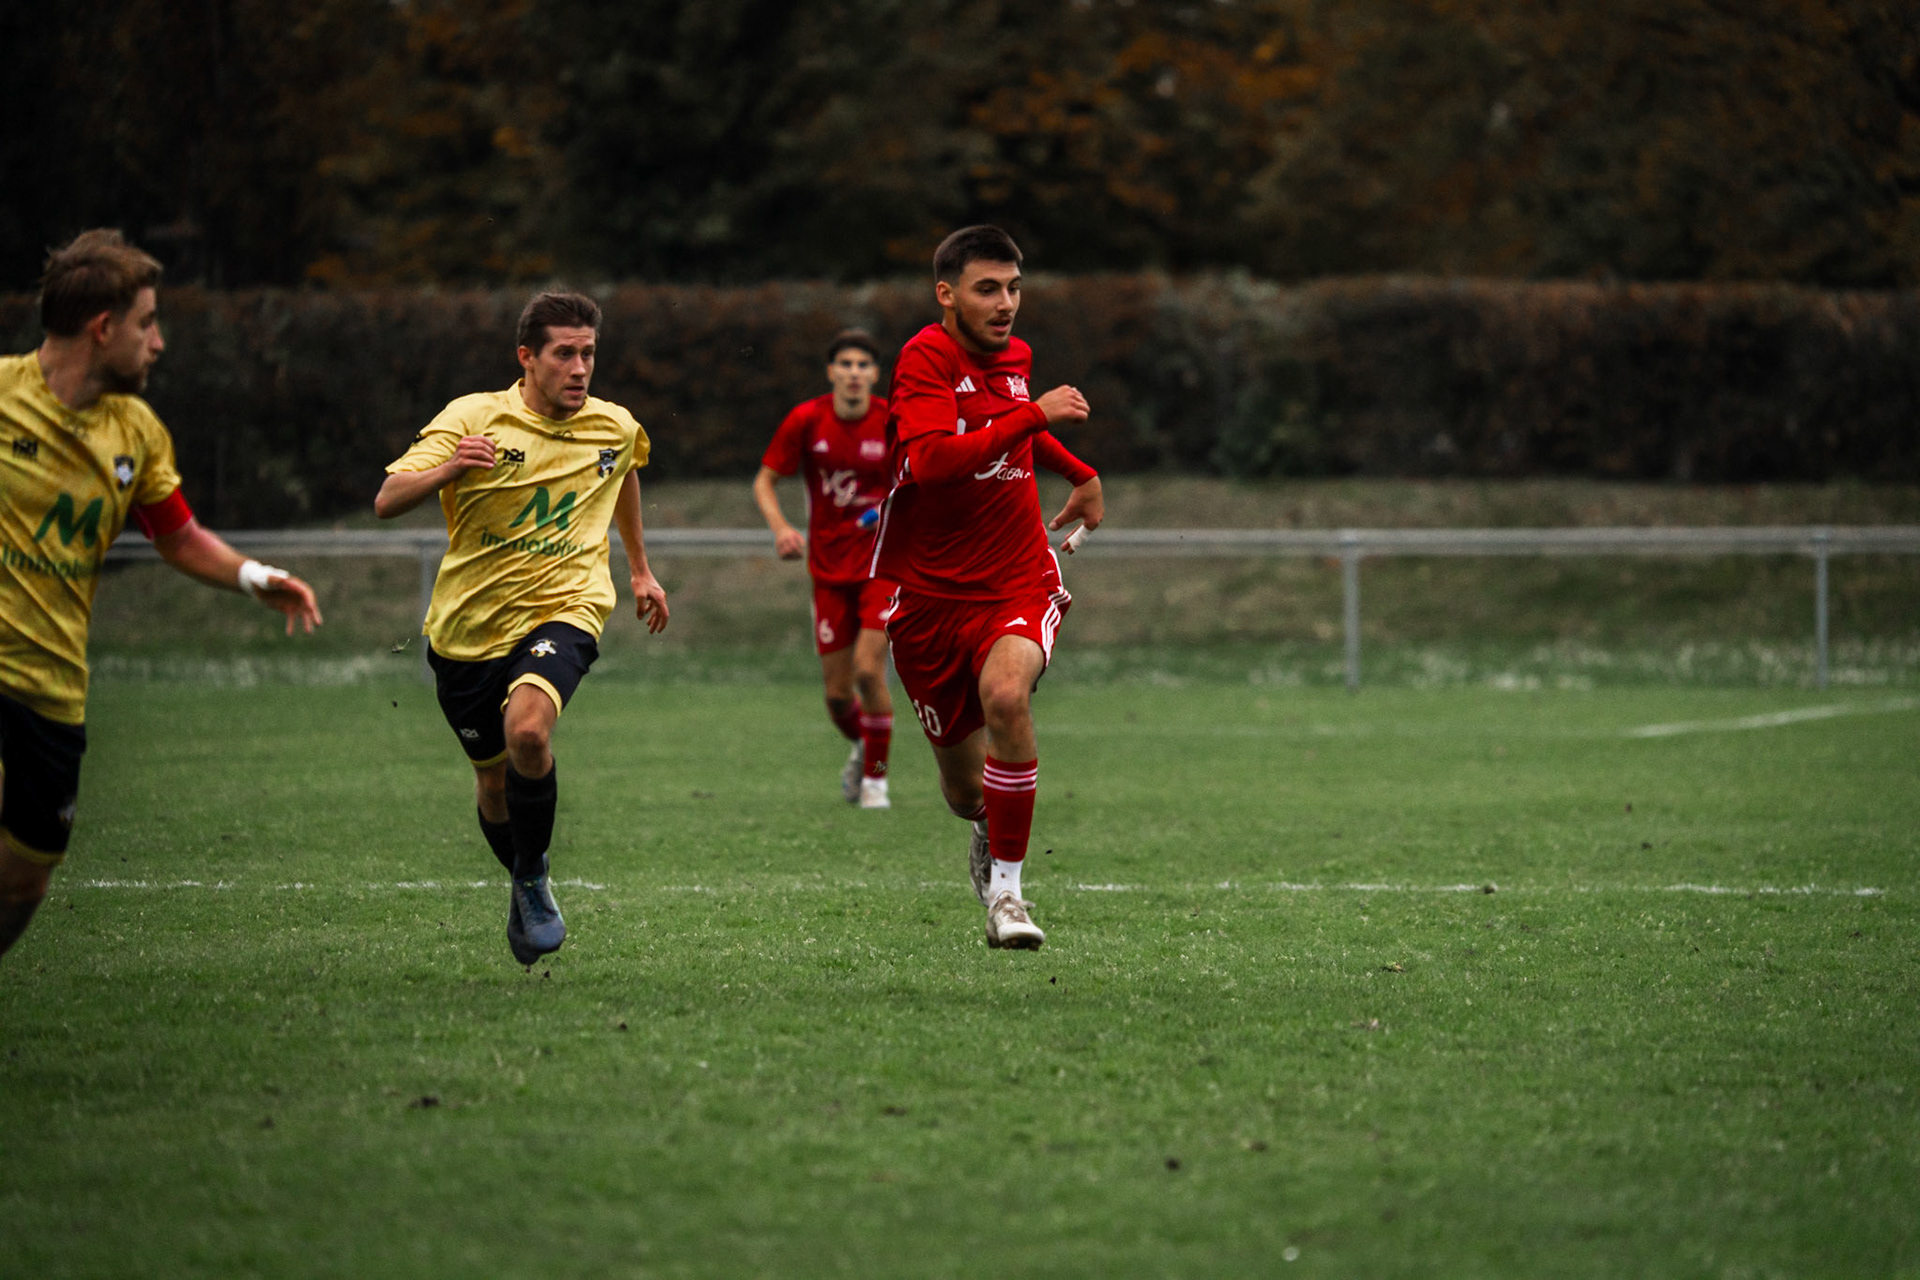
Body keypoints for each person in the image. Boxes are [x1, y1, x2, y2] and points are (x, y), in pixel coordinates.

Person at [0, 229, 323, 961]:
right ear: (102, 328)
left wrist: (253, 577)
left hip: (53, 690)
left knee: (24, 883)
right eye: (147, 323)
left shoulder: (136, 432)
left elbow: (177, 537)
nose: (159, 342)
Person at [375, 290, 668, 967]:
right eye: (564, 354)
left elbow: (625, 471)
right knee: (493, 785)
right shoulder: (473, 417)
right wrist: (452, 467)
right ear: (526, 358)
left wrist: (640, 570)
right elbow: (387, 499)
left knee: (529, 732)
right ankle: (524, 874)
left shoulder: (615, 425)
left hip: (567, 606)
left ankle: (532, 877)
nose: (579, 368)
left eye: (588, 353)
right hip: (467, 630)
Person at [871, 226, 1102, 950]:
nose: (1006, 304)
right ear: (946, 295)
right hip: (930, 600)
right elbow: (935, 462)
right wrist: (1035, 414)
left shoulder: (1016, 358)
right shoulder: (924, 359)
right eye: (988, 289)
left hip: (1016, 578)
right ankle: (984, 825)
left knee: (1006, 695)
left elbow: (1014, 429)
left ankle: (1008, 895)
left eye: (1014, 288)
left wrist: (1080, 473)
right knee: (964, 792)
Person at [751, 329, 897, 809]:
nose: (854, 373)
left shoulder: (890, 421)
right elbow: (765, 480)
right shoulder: (807, 420)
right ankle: (865, 747)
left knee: (868, 672)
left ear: (875, 375)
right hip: (829, 571)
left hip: (881, 566)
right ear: (831, 372)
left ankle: (876, 781)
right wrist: (781, 529)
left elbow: (919, 475)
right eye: (846, 364)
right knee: (837, 697)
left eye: (863, 365)